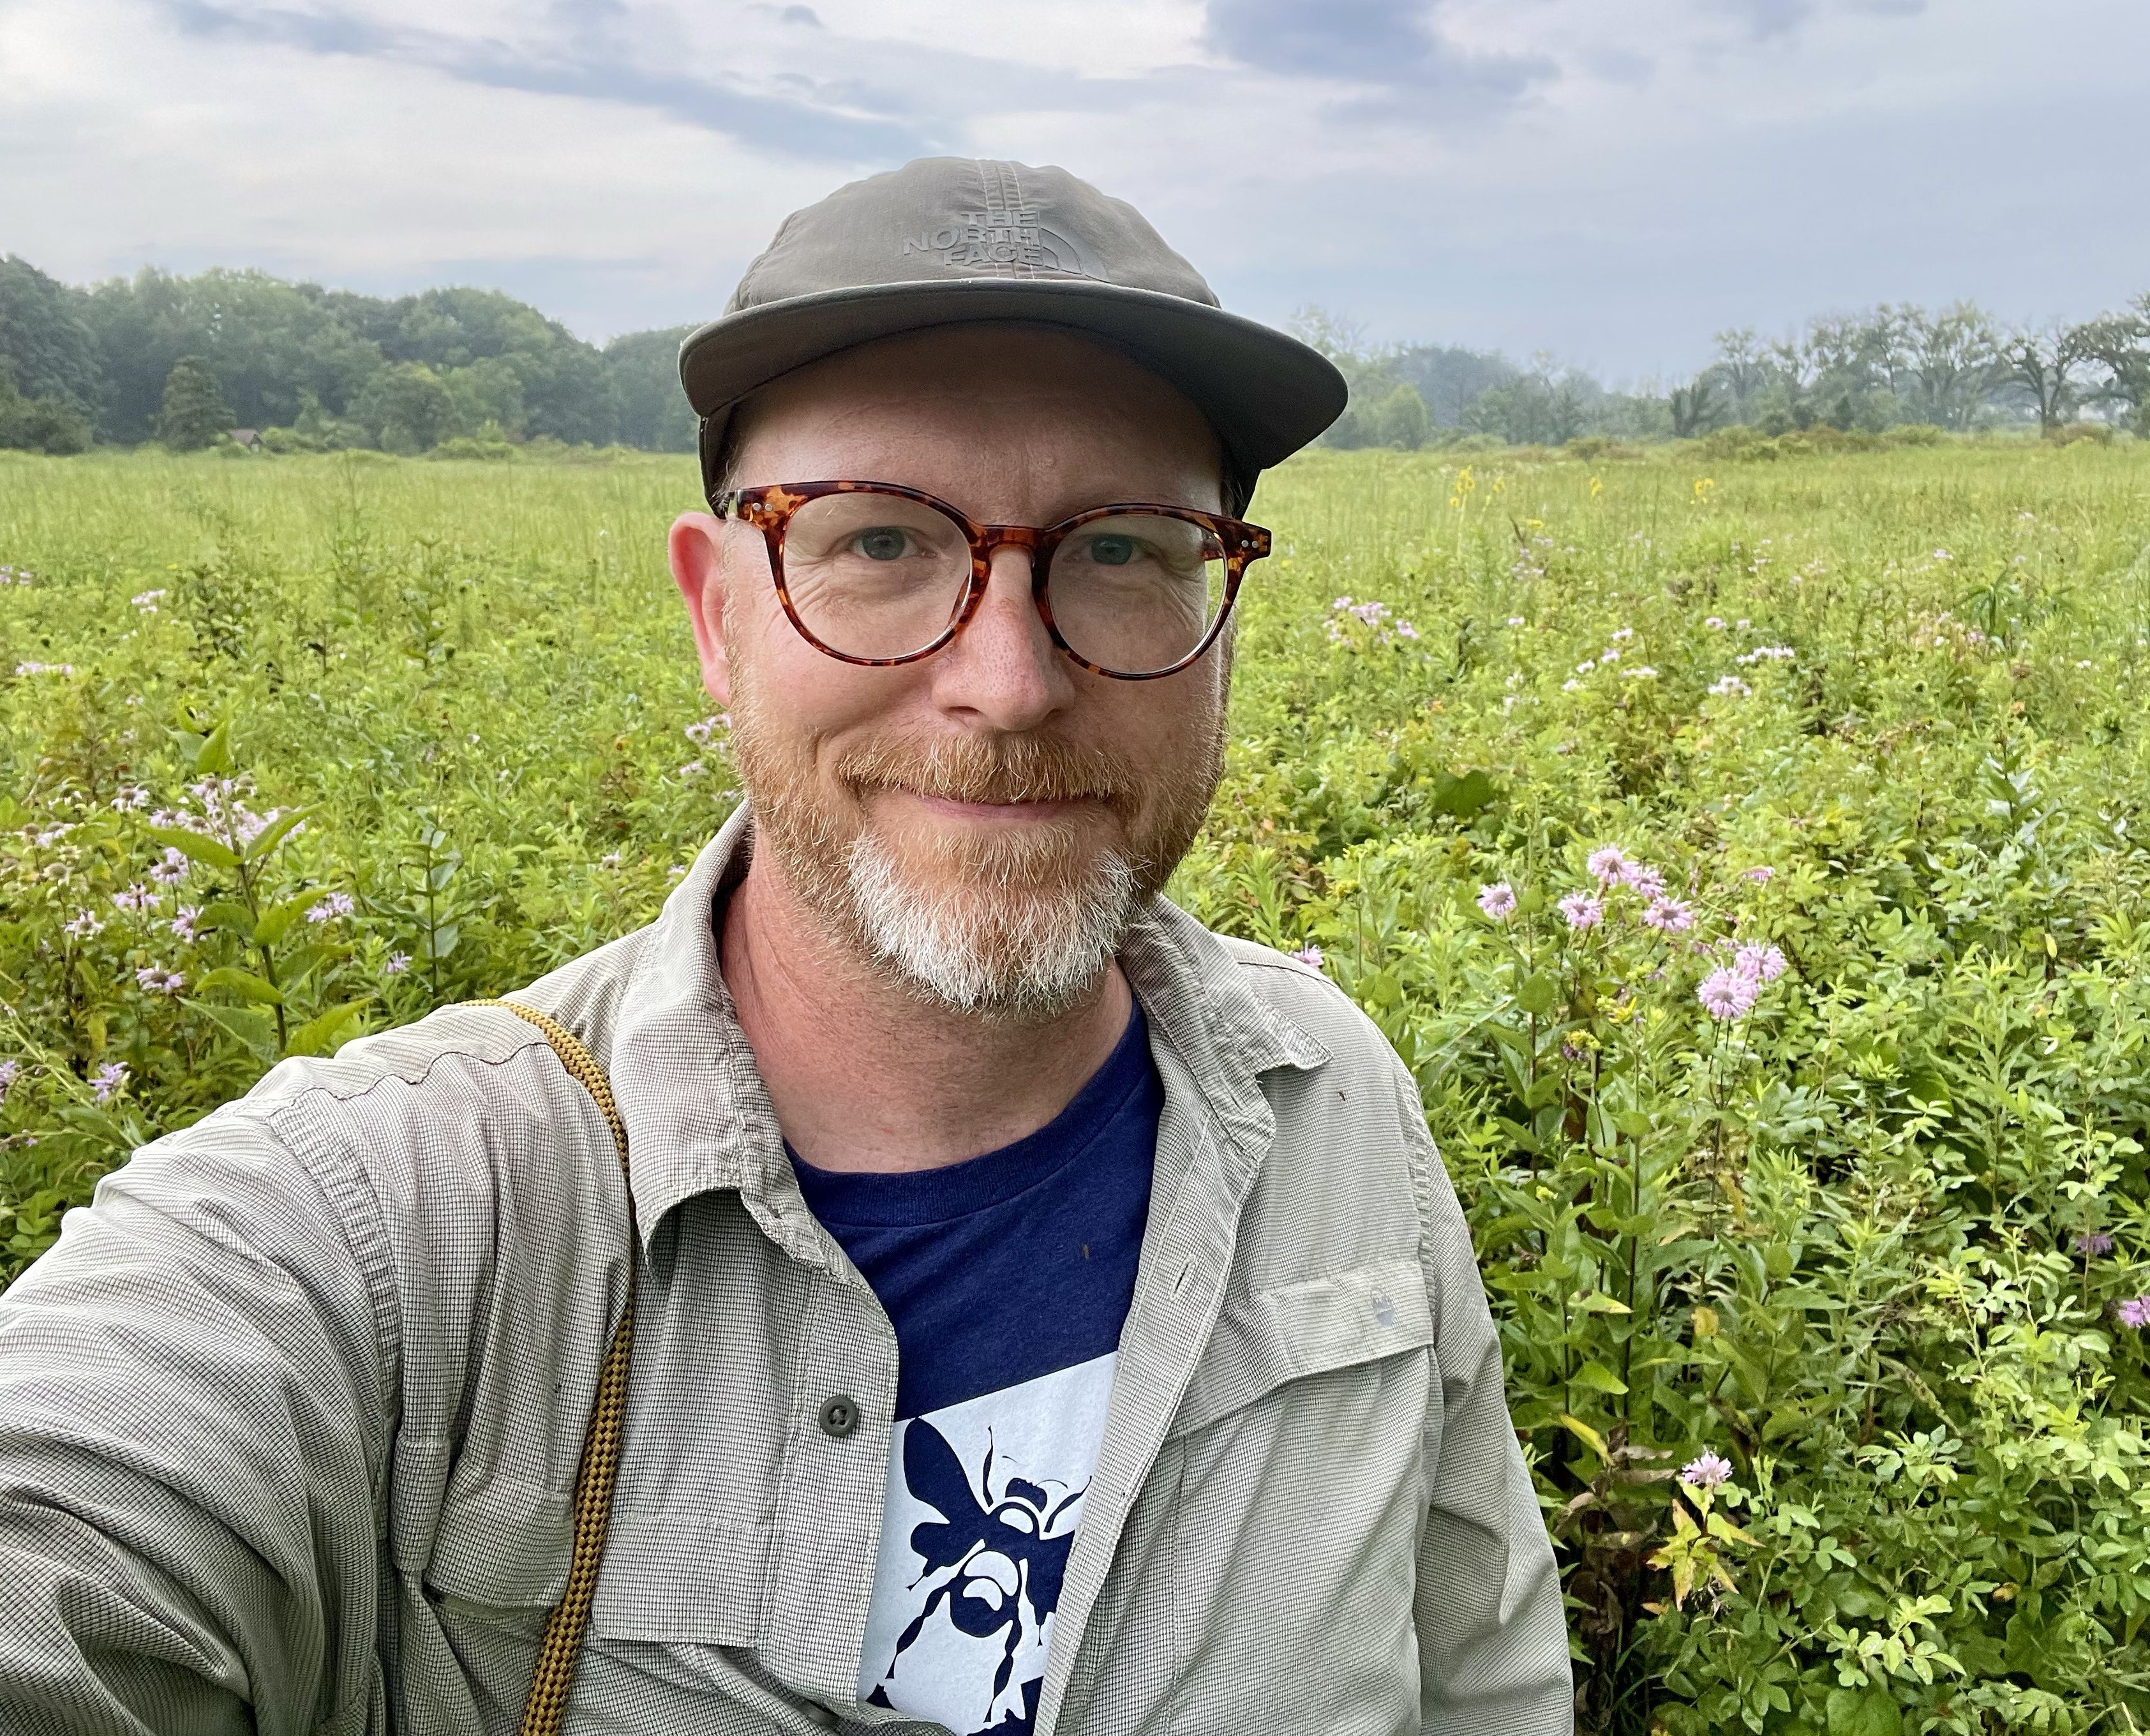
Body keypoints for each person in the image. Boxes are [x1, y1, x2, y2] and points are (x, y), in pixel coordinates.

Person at [0, 158, 1573, 1735]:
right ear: (713, 614)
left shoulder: (1335, 1103)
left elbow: (1482, 1668)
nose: (1008, 682)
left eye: (1122, 549)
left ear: (1218, 607)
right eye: (878, 543)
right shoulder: (375, 1228)